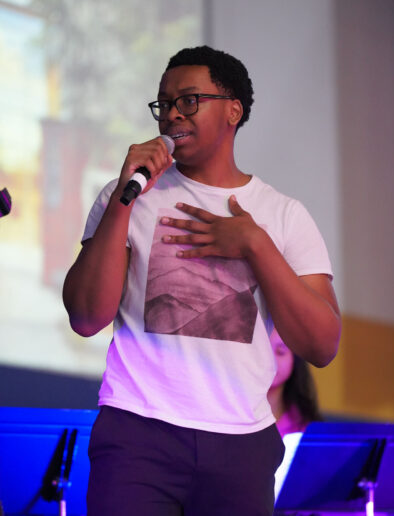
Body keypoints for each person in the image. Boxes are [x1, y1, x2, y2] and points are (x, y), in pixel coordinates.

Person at [63, 45, 341, 516]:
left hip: (241, 442)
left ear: (234, 111)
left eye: (189, 101)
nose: (172, 114)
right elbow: (87, 317)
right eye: (164, 104)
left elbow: (322, 344)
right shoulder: (126, 195)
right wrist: (124, 198)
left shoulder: (283, 215)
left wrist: (255, 244)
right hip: (137, 430)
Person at [267, 327, 323, 438]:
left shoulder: (307, 426)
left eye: (280, 352)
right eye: (264, 351)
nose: (271, 360)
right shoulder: (233, 418)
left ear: (295, 359)